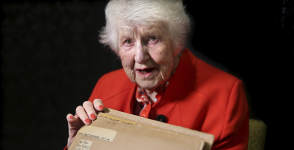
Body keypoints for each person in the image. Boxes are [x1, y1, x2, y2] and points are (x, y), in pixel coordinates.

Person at [65, 0, 249, 150]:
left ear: (177, 41)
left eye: (152, 38)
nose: (140, 56)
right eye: (128, 41)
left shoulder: (225, 95)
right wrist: (77, 144)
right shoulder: (107, 85)